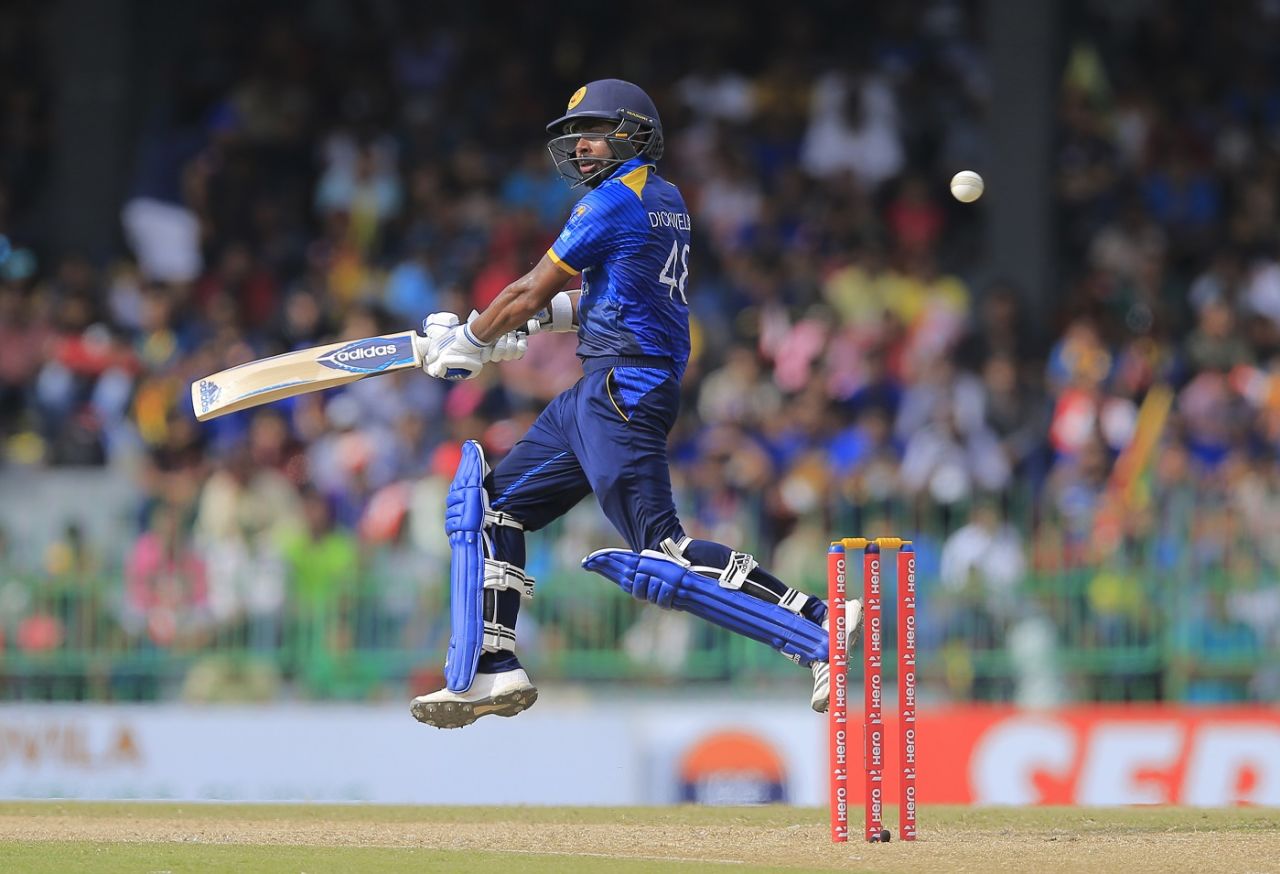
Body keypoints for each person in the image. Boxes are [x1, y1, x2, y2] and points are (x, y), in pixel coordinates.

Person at [410, 80, 859, 728]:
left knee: (663, 552)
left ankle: (816, 619)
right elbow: (602, 299)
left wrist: (472, 338)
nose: (580, 144)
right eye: (575, 133)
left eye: (594, 130)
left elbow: (532, 287)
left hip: (623, 390)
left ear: (634, 131)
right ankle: (493, 665)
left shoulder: (614, 202)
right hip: (599, 387)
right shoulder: (662, 197)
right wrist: (521, 328)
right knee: (492, 509)